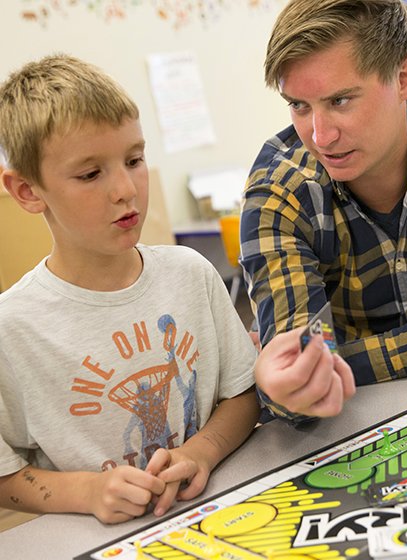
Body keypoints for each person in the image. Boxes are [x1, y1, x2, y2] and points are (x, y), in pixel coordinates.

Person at [0, 54, 261, 525]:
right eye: (90, 174)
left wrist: (202, 451)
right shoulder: (12, 328)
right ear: (26, 191)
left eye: (135, 160)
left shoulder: (191, 274)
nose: (126, 189)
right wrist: (87, 490)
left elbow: (243, 394)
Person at [241, 0, 407, 422]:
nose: (320, 136)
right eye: (299, 105)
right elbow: (300, 384)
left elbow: (326, 365)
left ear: (404, 78)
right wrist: (294, 381)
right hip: (355, 426)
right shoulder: (279, 194)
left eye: (340, 100)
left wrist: (343, 364)